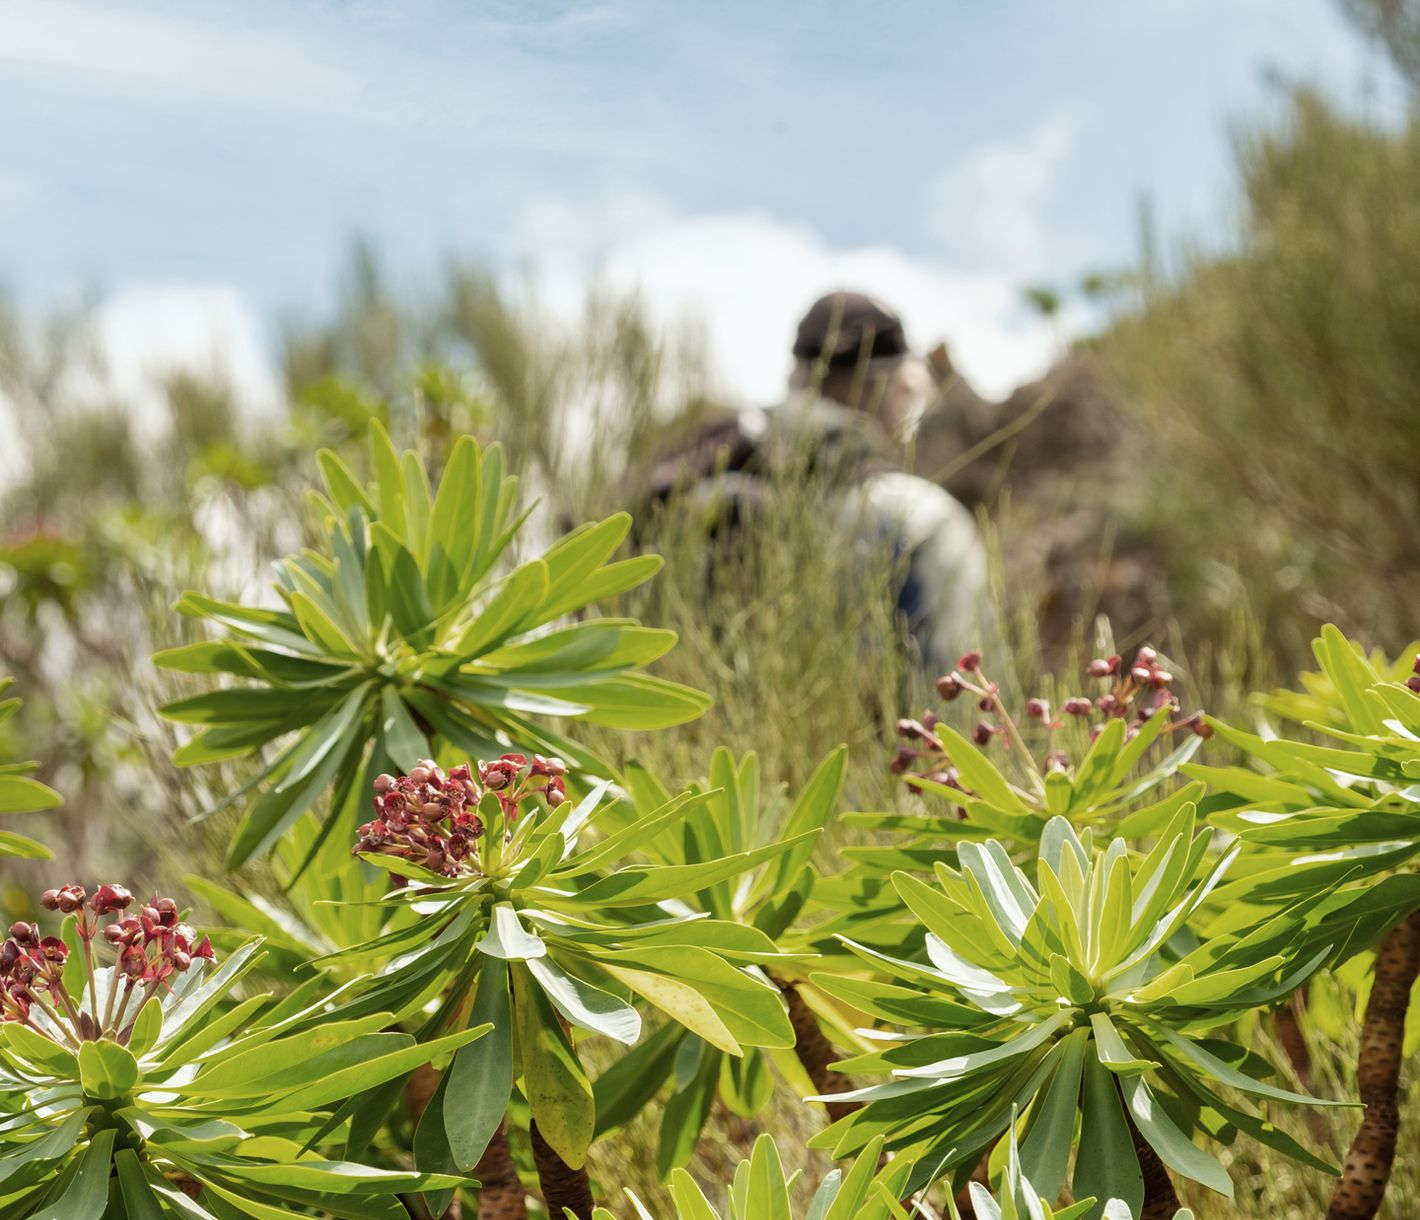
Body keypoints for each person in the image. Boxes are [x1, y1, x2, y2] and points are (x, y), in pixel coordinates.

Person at [645, 290, 989, 673]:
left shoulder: (703, 480)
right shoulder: (921, 516)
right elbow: (961, 696)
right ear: (903, 386)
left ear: (798, 379)